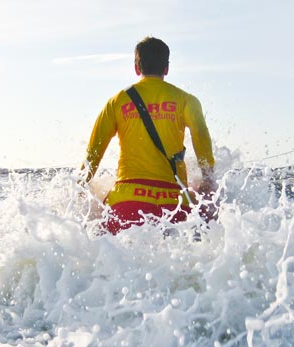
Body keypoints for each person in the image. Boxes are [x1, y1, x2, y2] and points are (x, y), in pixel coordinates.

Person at [79, 36, 216, 234]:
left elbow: (92, 156)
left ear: (137, 68)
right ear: (166, 68)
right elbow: (201, 137)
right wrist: (208, 179)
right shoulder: (186, 100)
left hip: (126, 203)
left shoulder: (116, 102)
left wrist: (79, 189)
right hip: (175, 204)